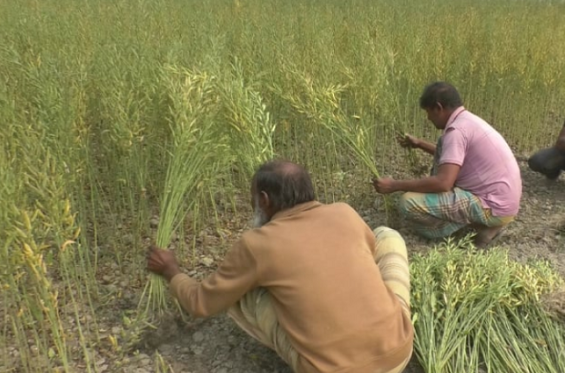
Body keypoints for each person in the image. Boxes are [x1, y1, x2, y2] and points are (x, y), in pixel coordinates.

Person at [147, 161, 414, 373]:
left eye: (253, 198)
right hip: (399, 352)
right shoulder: (344, 211)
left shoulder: (257, 244)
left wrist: (172, 270)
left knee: (242, 292)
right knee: (385, 236)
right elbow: (366, 254)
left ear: (264, 199)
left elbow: (201, 303)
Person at [372, 82, 522, 248]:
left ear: (438, 108)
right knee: (441, 150)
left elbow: (443, 183)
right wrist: (419, 143)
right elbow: (452, 157)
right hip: (505, 201)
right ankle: (485, 223)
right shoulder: (467, 121)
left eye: (428, 112)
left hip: (492, 206)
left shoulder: (456, 132)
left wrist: (394, 185)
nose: (428, 118)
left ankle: (484, 226)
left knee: (408, 203)